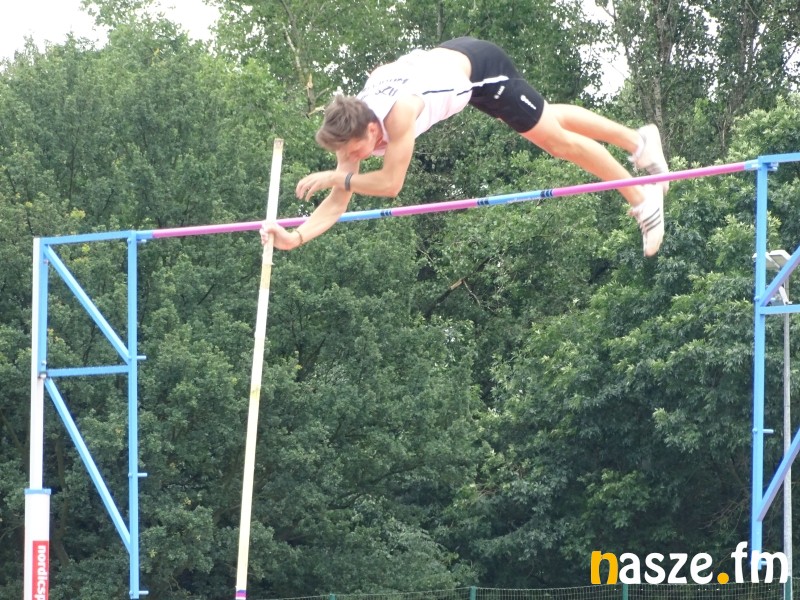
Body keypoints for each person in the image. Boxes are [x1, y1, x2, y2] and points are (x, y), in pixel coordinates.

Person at [261, 37, 669, 256]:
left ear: (372, 128)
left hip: (481, 70)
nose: (351, 158)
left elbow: (389, 185)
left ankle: (642, 200)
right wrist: (296, 237)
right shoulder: (349, 131)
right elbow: (339, 198)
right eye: (346, 155)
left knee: (558, 143)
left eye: (355, 150)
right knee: (545, 118)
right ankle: (639, 140)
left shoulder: (399, 115)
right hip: (453, 63)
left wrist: (339, 177)